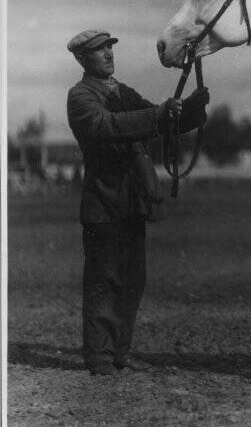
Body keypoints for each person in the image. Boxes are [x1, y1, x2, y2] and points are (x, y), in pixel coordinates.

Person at [66, 29, 209, 375]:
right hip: (103, 205)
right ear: (84, 59)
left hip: (132, 202)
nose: (109, 55)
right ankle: (99, 356)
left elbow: (158, 120)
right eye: (100, 51)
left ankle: (119, 351)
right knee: (105, 280)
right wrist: (161, 114)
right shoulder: (81, 97)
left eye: (110, 48)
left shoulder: (122, 91)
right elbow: (108, 126)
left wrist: (190, 110)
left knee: (132, 279)